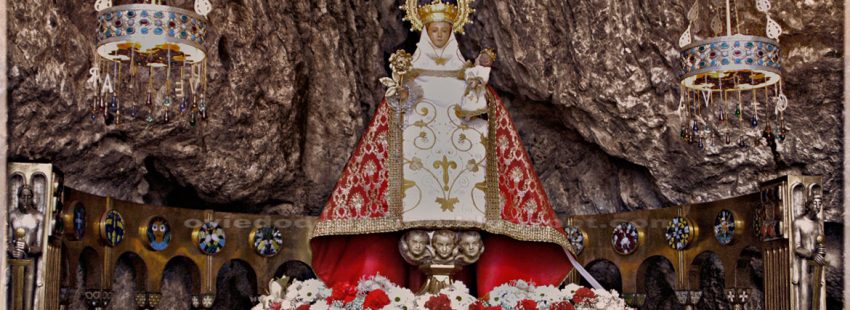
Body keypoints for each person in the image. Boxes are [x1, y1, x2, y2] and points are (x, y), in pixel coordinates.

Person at [310, 0, 573, 295]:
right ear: (425, 31)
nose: (438, 35)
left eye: (444, 30)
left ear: (452, 32)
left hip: (466, 183)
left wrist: (478, 92)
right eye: (434, 30)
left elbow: (488, 118)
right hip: (416, 181)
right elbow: (389, 126)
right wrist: (400, 98)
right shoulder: (409, 80)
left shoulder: (468, 78)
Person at [792, 194, 826, 310]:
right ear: (808, 205)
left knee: (817, 297)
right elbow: (797, 247)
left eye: (820, 204)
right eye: (815, 203)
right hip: (803, 264)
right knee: (804, 298)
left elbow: (821, 244)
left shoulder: (819, 223)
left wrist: (821, 252)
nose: (817, 206)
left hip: (816, 264)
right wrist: (812, 255)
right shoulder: (798, 222)